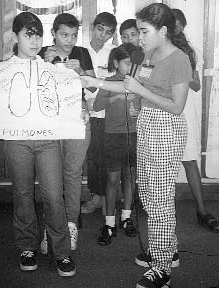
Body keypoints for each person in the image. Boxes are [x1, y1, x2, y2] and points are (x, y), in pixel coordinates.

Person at [81, 3, 192, 287]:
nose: (139, 37)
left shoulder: (178, 59)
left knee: (159, 200)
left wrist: (141, 92)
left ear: (163, 31)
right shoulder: (147, 55)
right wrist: (94, 81)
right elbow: (128, 85)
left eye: (144, 31)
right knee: (152, 195)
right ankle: (167, 252)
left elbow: (177, 106)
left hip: (166, 127)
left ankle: (162, 267)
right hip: (146, 125)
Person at [0, 12, 76, 277]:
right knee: (23, 193)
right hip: (17, 140)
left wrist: (79, 109)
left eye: (38, 34)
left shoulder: (54, 69)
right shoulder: (0, 71)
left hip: (48, 140)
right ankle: (27, 246)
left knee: (54, 195)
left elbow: (67, 101)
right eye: (29, 34)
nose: (35, 40)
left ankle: (61, 251)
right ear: (15, 36)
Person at [38, 13, 94, 254]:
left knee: (73, 174)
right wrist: (43, 63)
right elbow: (28, 86)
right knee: (50, 177)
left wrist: (81, 70)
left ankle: (71, 225)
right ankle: (51, 228)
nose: (69, 40)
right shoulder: (39, 53)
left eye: (73, 35)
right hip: (49, 119)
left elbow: (92, 85)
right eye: (64, 35)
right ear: (53, 33)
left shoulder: (81, 53)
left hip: (77, 118)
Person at [172, 8, 219, 233]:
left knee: (190, 161)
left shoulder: (190, 51)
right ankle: (161, 212)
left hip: (185, 115)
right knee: (161, 165)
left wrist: (180, 66)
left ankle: (202, 211)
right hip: (161, 114)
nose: (170, 28)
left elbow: (195, 84)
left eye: (174, 24)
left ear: (181, 26)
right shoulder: (155, 49)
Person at [93, 43, 139, 246]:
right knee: (113, 178)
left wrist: (138, 109)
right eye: (126, 63)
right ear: (116, 63)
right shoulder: (109, 82)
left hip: (135, 134)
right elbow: (97, 106)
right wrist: (116, 97)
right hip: (113, 135)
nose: (130, 67)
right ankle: (109, 223)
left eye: (133, 63)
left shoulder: (139, 82)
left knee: (130, 176)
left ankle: (126, 217)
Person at [80, 12, 118, 214]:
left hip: (107, 112)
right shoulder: (79, 50)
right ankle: (96, 197)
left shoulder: (115, 52)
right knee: (91, 157)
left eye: (108, 33)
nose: (102, 36)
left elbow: (117, 82)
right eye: (100, 30)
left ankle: (105, 199)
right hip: (85, 113)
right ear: (93, 28)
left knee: (106, 157)